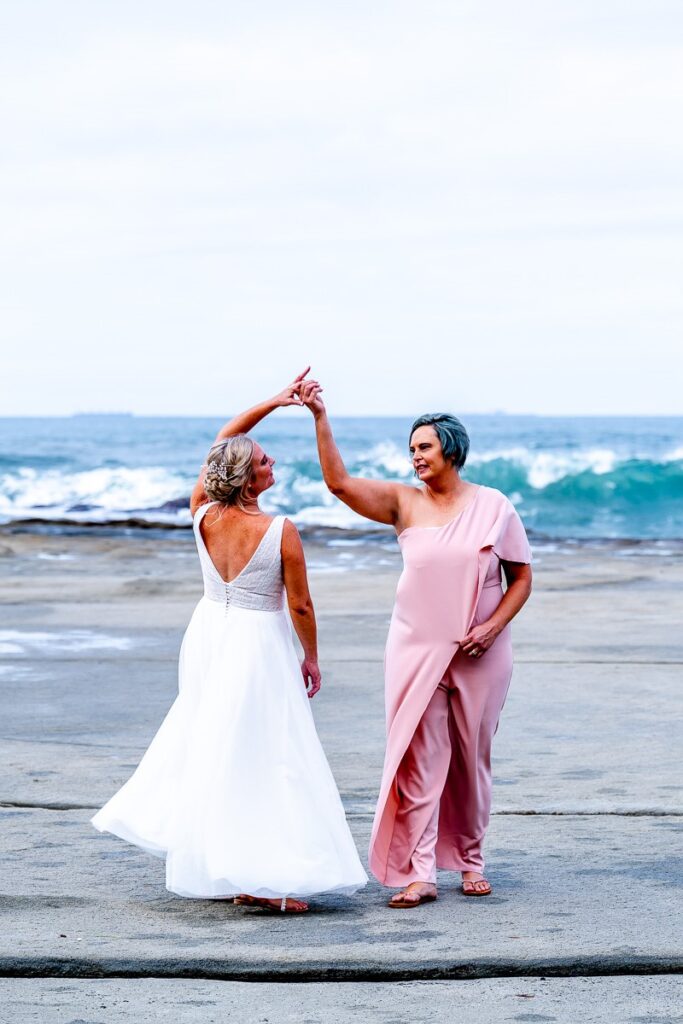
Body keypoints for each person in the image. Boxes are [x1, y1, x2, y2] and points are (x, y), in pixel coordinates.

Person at [92, 370, 367, 913]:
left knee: (217, 745)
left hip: (208, 634)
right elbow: (301, 605)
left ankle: (233, 867)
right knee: (268, 752)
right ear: (247, 481)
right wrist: (310, 657)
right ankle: (265, 879)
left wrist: (274, 401)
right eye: (265, 461)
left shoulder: (202, 515)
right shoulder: (281, 529)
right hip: (258, 643)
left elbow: (222, 441)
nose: (273, 465)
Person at [300, 382, 532, 908]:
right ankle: (421, 872)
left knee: (472, 760)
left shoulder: (494, 507)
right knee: (421, 761)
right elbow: (338, 483)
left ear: (450, 449)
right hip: (413, 649)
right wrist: (319, 415)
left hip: (480, 653)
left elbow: (521, 578)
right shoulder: (403, 503)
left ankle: (471, 861)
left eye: (423, 447)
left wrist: (492, 627)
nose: (415, 458)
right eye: (411, 450)